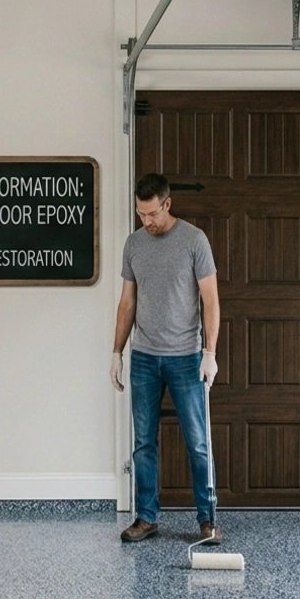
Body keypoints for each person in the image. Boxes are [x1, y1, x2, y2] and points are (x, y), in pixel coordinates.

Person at [112, 173, 221, 544]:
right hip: (143, 356)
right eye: (141, 215)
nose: (147, 222)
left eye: (152, 214)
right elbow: (127, 301)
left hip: (185, 358)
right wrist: (116, 352)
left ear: (167, 204)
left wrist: (210, 352)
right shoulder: (134, 244)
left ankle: (207, 521)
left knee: (197, 441)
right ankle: (146, 518)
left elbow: (211, 300)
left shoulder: (194, 240)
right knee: (143, 442)